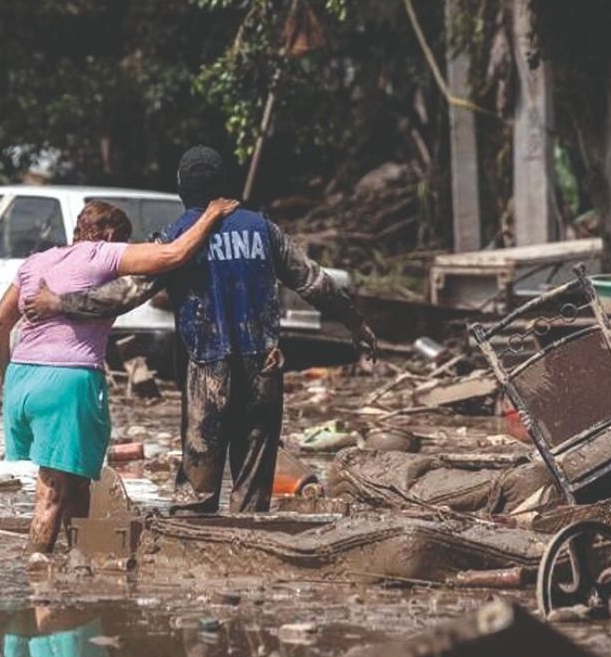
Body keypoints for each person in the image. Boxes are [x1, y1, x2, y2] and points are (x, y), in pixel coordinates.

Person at [27, 146, 376, 515]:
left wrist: (61, 303)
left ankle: (195, 553)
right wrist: (355, 322)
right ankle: (251, 548)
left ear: (182, 188)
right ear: (223, 184)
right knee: (253, 477)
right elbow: (314, 281)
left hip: (206, 366)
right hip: (264, 364)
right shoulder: (262, 229)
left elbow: (125, 294)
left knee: (198, 485)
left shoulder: (178, 236)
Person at [0, 197, 238, 555]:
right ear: (108, 234)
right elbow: (172, 256)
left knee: (76, 483)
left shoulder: (36, 261)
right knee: (53, 491)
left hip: (22, 380)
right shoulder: (102, 255)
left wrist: (6, 376)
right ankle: (37, 578)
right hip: (68, 382)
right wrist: (211, 214)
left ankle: (78, 565)